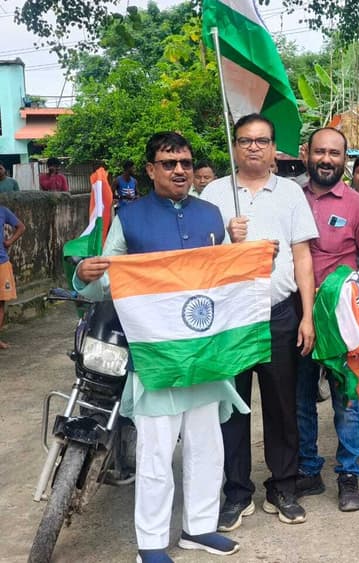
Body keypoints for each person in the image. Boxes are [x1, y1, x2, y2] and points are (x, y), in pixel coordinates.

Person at [74, 132, 241, 563]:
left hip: (204, 352)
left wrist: (246, 252)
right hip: (155, 356)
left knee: (207, 446)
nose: (180, 170)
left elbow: (227, 278)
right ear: (151, 170)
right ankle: (150, 543)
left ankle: (199, 528)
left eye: (185, 162)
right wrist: (84, 276)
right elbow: (105, 282)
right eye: (169, 163)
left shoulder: (212, 214)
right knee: (156, 452)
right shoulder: (129, 218)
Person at [201, 113, 317, 529]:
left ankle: (283, 486)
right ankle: (236, 491)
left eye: (262, 140)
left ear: (273, 149)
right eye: (246, 140)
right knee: (231, 406)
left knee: (282, 404)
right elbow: (200, 260)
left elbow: (303, 256)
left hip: (279, 313)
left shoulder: (290, 193)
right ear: (234, 146)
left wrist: (307, 316)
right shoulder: (214, 194)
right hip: (230, 317)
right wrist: (226, 239)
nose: (254, 147)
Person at [295, 128, 359, 512]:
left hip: (342, 319)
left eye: (334, 153)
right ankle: (308, 469)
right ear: (306, 154)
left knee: (346, 398)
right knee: (300, 398)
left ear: (345, 159)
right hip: (297, 313)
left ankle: (348, 474)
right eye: (320, 152)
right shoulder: (291, 200)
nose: (327, 159)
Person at [0, 205, 25, 349]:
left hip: (1, 263)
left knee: (1, 303)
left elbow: (21, 227)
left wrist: (9, 241)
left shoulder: (3, 211)